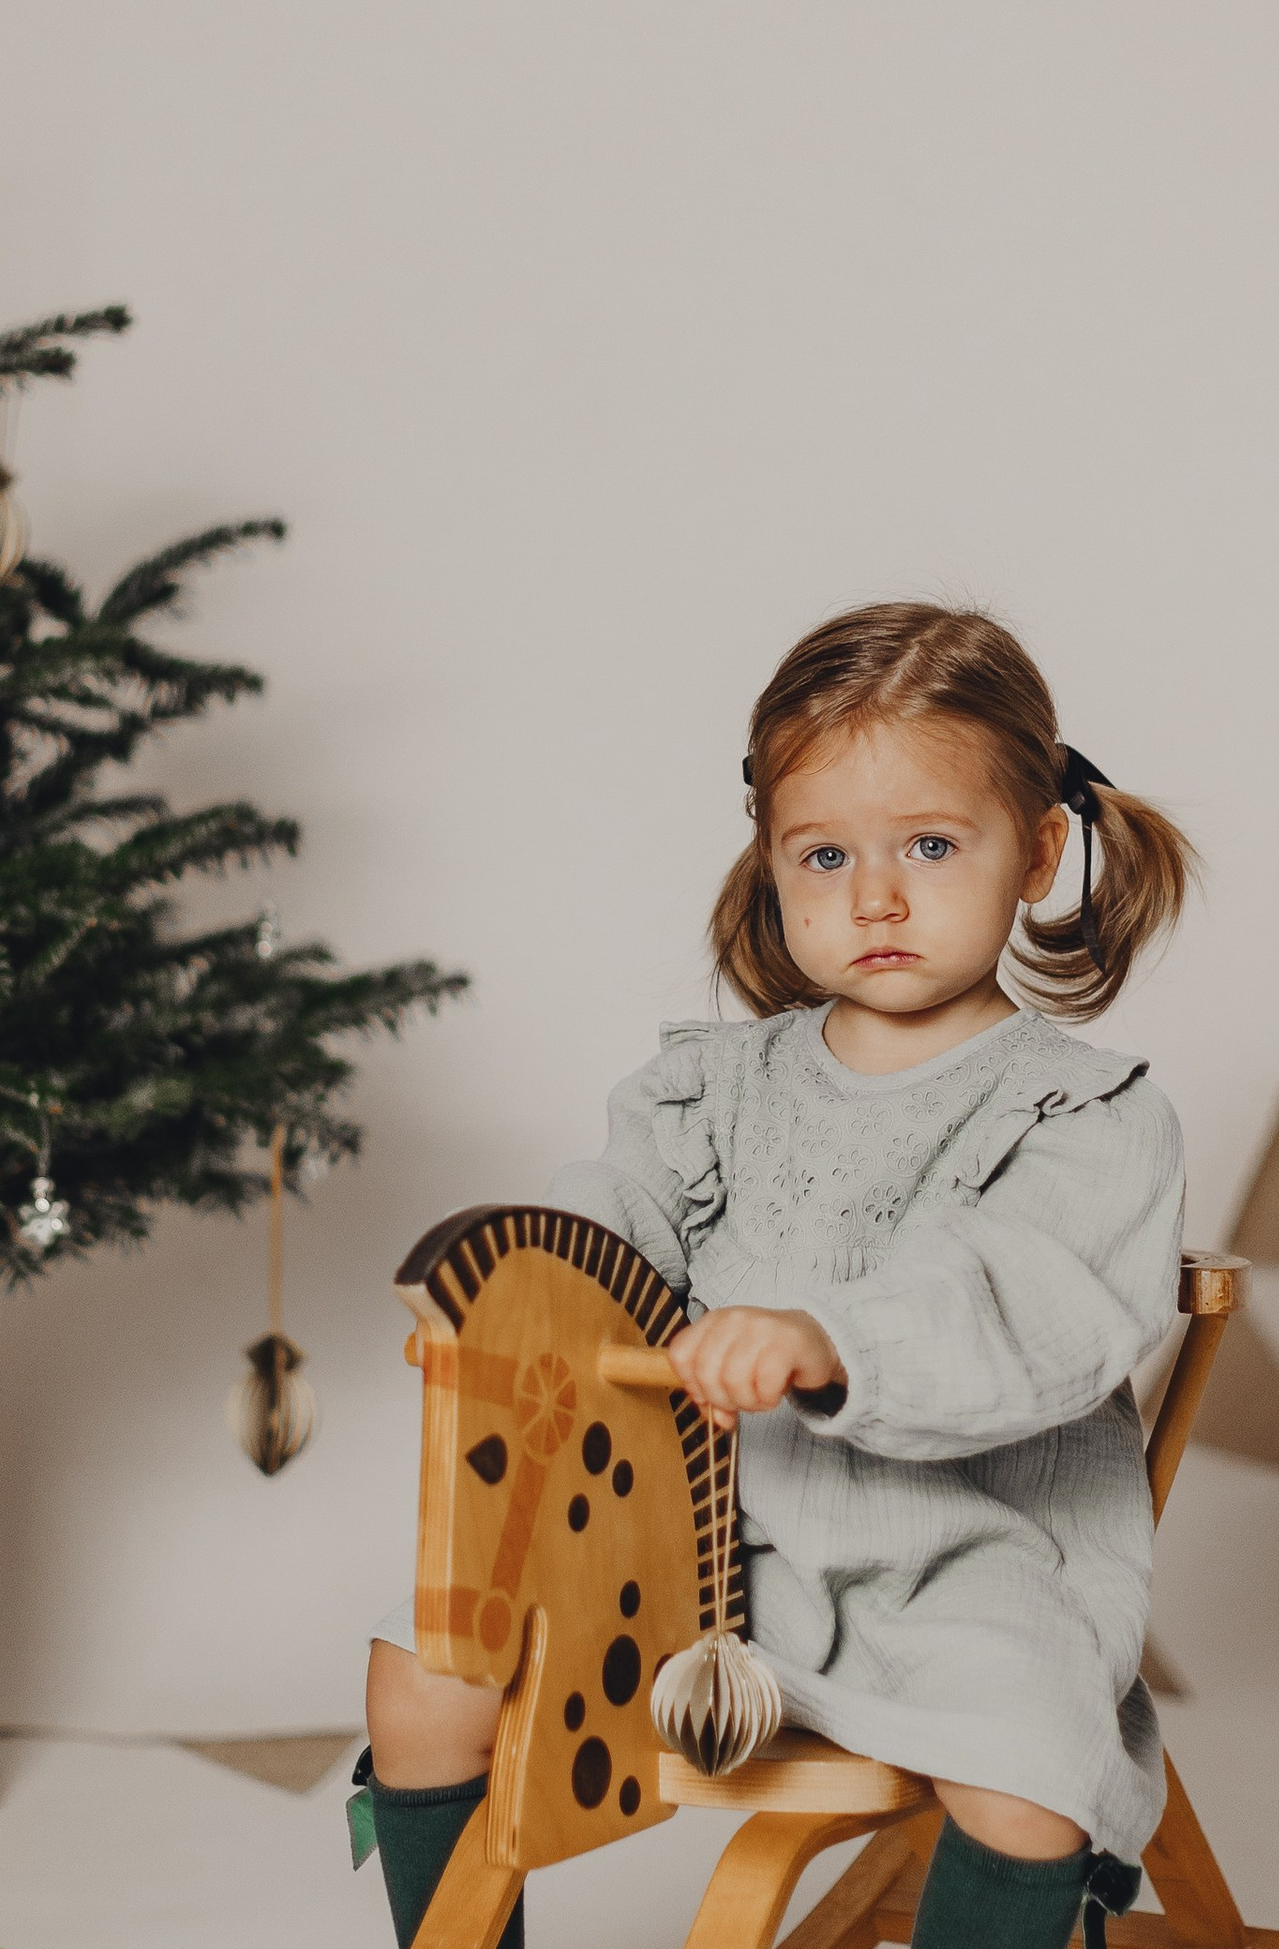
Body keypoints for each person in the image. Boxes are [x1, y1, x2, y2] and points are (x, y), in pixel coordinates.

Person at [359, 601, 1196, 1949]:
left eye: (931, 845)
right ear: (770, 867)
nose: (876, 897)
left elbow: (1024, 1301)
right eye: (825, 855)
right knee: (422, 1669)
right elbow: (610, 1220)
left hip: (962, 1564)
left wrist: (825, 1335)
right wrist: (512, 1309)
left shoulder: (1088, 1119)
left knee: (1031, 1758)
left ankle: (1021, 1899)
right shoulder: (710, 1087)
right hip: (688, 1547)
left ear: (1038, 852)